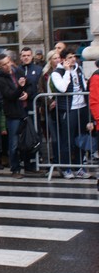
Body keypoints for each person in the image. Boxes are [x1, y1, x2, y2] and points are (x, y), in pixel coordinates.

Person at [50, 49, 90, 179]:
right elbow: (62, 88)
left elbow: (83, 86)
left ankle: (79, 167)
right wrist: (67, 72)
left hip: (81, 107)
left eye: (74, 56)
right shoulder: (57, 72)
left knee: (81, 138)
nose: (73, 59)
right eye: (69, 57)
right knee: (67, 139)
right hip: (68, 109)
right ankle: (66, 168)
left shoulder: (78, 69)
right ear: (63, 60)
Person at [0, 54, 28, 179]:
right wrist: (20, 88)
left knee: (27, 139)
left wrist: (26, 93)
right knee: (13, 143)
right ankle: (15, 168)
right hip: (12, 113)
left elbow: (28, 83)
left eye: (8, 62)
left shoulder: (18, 70)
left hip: (24, 109)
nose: (7, 66)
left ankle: (28, 165)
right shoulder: (0, 78)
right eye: (3, 64)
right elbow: (9, 95)